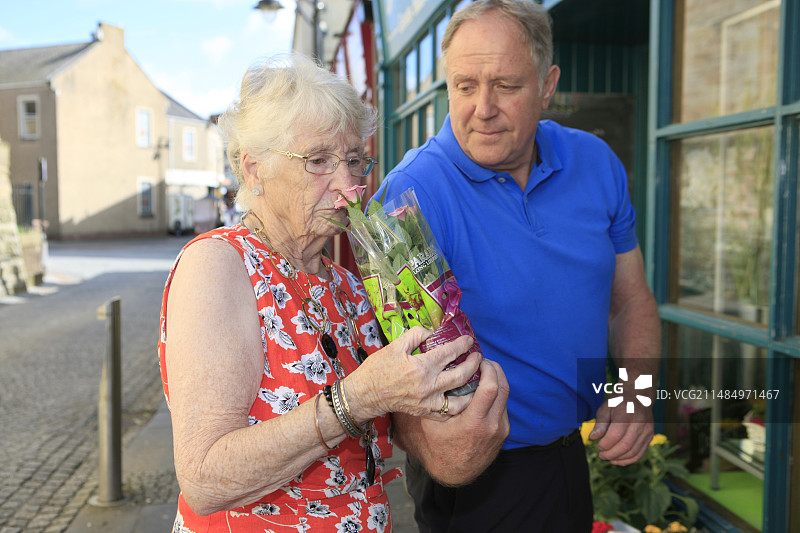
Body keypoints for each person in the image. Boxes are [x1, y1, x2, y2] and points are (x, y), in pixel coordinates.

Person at [157, 54, 505, 532]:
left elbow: (408, 432)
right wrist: (358, 397)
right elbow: (205, 478)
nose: (349, 186)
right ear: (254, 169)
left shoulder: (348, 286)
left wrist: (458, 414)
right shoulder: (219, 265)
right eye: (318, 161)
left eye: (355, 161)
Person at [373, 1, 661, 531]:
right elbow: (396, 365)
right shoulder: (410, 196)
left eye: (505, 85)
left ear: (547, 86)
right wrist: (442, 457)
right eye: (464, 86)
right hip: (478, 479)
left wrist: (634, 394)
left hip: (570, 453)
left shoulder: (596, 162)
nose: (482, 108)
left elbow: (631, 301)